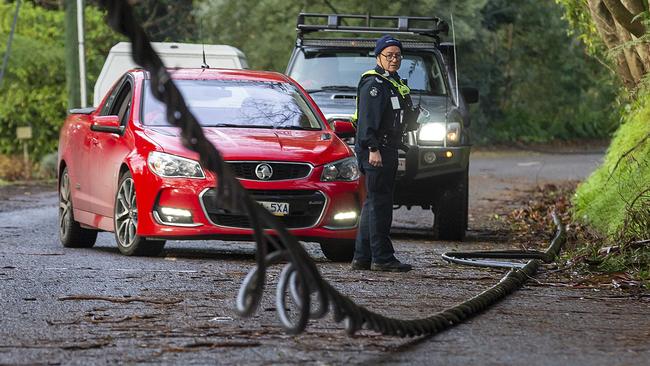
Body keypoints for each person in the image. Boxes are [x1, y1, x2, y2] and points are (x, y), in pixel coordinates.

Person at [351, 35, 414, 272]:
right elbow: (367, 121)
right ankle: (382, 258)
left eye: (398, 55)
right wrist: (373, 149)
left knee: (373, 203)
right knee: (381, 205)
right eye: (389, 55)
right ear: (378, 56)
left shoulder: (391, 83)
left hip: (387, 147)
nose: (394, 59)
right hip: (377, 150)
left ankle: (363, 257)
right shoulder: (374, 85)